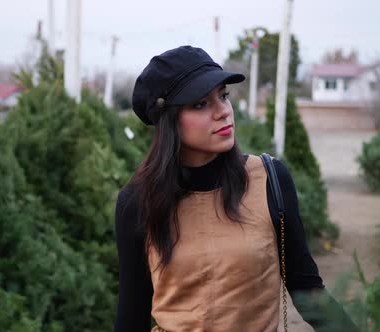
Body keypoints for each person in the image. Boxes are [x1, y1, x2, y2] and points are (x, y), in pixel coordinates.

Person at [114, 45, 358, 332]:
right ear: (168, 119)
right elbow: (132, 314)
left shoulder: (269, 180)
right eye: (201, 104)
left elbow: (307, 290)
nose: (223, 112)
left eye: (223, 96)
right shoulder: (139, 201)